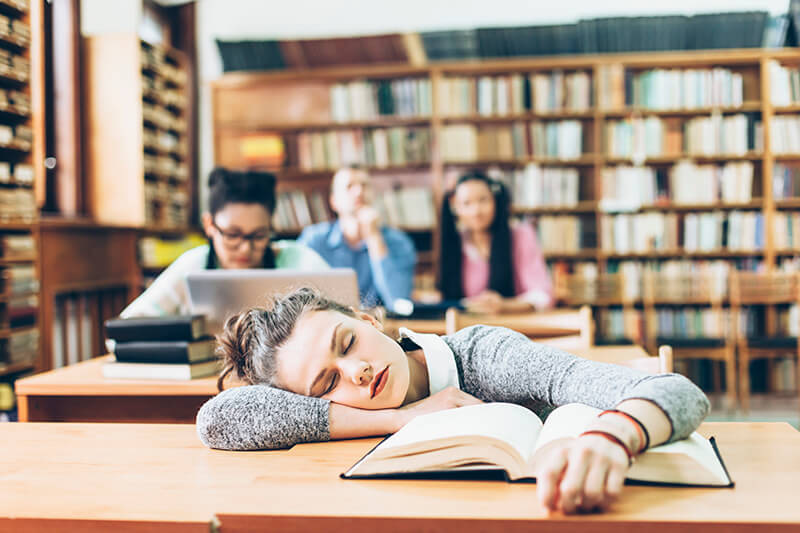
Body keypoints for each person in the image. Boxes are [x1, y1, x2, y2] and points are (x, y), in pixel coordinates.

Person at [196, 287, 710, 514]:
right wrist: (403, 417)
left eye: (349, 343)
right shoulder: (378, 411)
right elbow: (218, 421)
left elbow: (677, 390)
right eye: (327, 384)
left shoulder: (487, 356)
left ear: (369, 320)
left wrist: (613, 436)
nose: (358, 372)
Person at [120, 167, 328, 317]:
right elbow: (128, 326)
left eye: (258, 235)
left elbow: (349, 312)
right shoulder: (194, 265)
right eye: (232, 235)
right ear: (209, 224)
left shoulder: (299, 260)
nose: (245, 247)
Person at [297, 166, 416, 310]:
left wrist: (374, 238)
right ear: (333, 201)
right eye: (349, 186)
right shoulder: (313, 241)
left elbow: (397, 300)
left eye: (364, 185)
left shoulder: (399, 242)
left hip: (380, 325)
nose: (359, 191)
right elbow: (297, 298)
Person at [439, 170, 552, 314]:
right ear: (456, 209)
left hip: (514, 325)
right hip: (465, 328)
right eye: (466, 203)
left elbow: (542, 295)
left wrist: (505, 305)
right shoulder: (456, 243)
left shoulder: (521, 235)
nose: (476, 211)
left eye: (483, 200)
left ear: (495, 201)